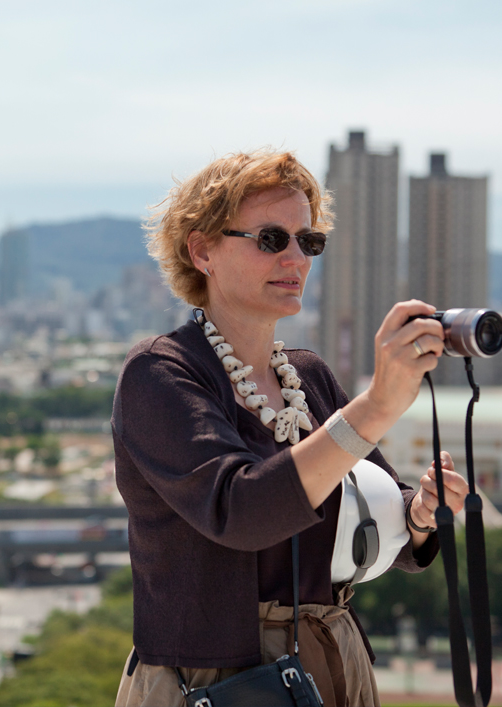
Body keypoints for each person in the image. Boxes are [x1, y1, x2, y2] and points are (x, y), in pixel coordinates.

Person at [112, 150, 471, 707]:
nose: (296, 258)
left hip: (331, 659)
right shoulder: (160, 374)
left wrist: (421, 515)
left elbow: (384, 513)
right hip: (217, 682)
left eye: (309, 242)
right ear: (202, 249)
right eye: (271, 239)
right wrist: (377, 405)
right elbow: (241, 512)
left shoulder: (308, 375)